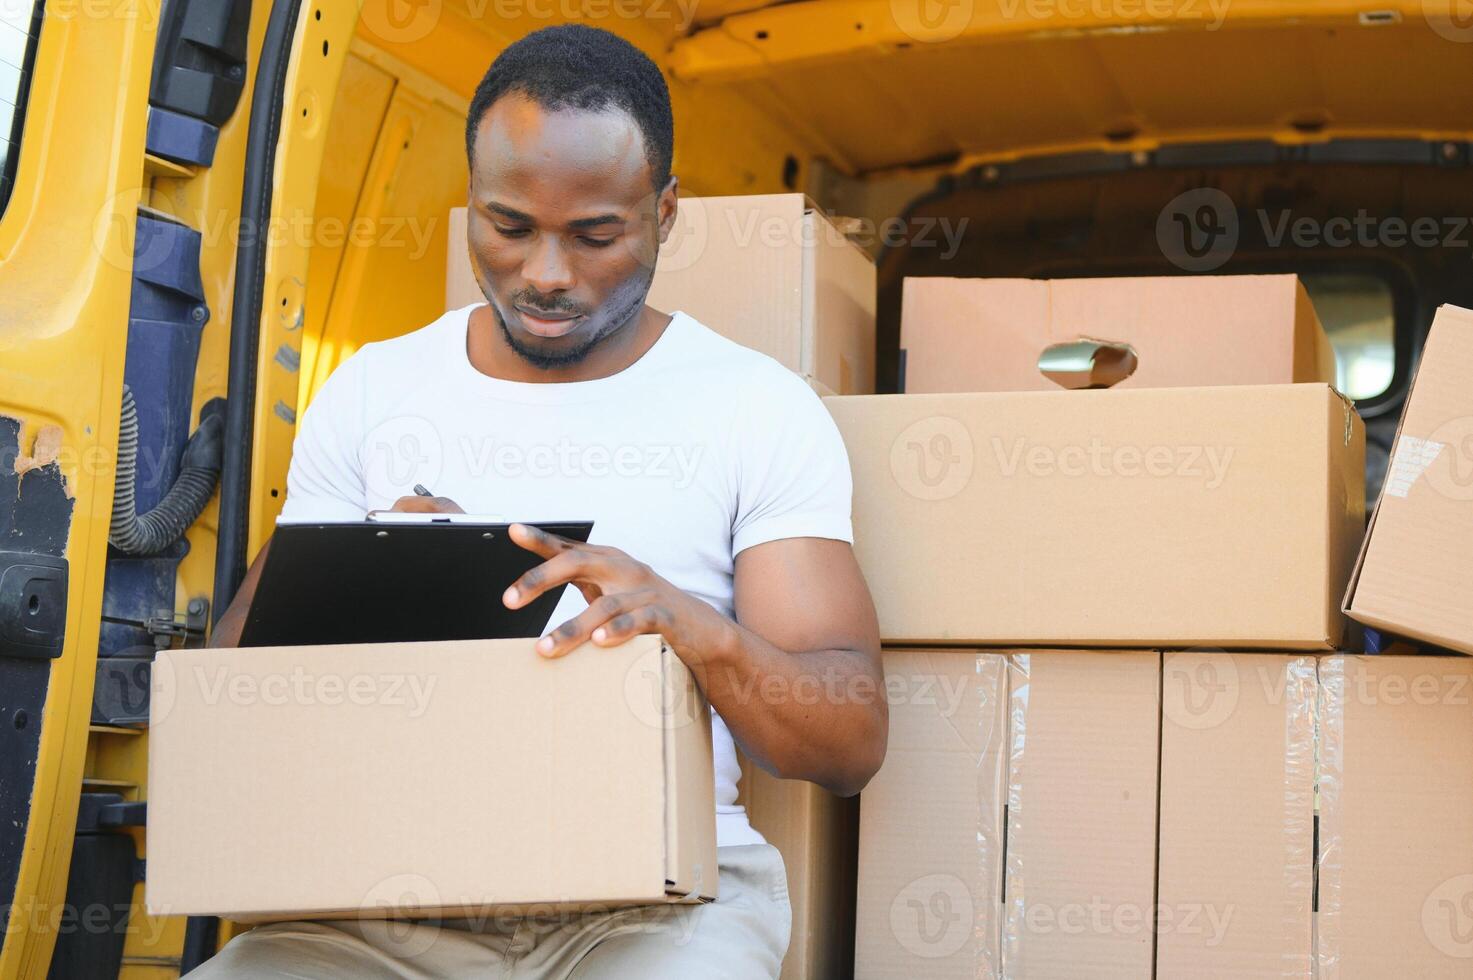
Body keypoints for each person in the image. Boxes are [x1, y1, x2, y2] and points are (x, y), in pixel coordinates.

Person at [196, 23, 885, 979]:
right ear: (471, 205)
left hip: (653, 910)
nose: (546, 276)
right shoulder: (371, 389)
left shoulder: (755, 406)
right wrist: (358, 574)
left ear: (666, 214)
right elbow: (223, 702)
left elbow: (848, 740)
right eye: (508, 227)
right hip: (371, 907)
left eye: (596, 234)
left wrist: (697, 631)